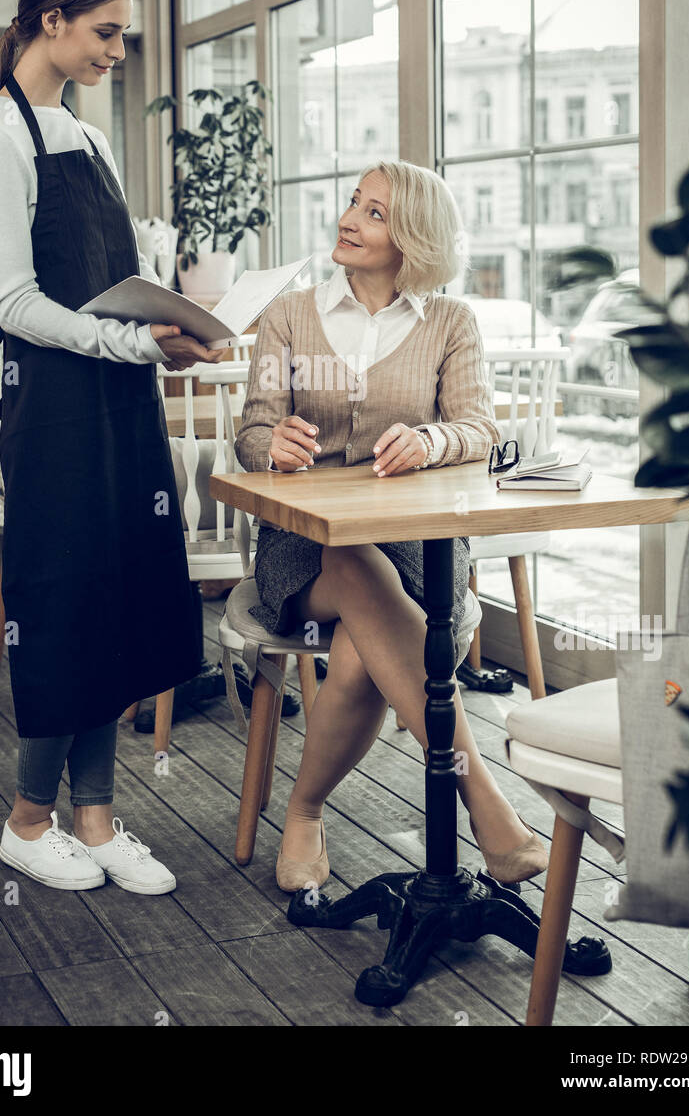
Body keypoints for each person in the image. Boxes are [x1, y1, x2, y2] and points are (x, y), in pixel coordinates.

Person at [0, 0, 227, 894]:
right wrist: (137, 346)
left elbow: (102, 283)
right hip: (57, 406)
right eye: (106, 33)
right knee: (65, 602)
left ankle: (97, 818)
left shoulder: (89, 136)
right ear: (52, 21)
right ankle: (27, 822)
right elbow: (15, 305)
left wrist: (162, 323)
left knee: (119, 593)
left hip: (120, 397)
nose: (117, 51)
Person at [234, 161, 550, 892]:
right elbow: (251, 434)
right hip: (304, 551)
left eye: (373, 212)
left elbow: (477, 428)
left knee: (356, 649)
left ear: (411, 235)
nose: (349, 218)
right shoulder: (289, 315)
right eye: (353, 203)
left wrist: (432, 442)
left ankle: (305, 811)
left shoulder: (450, 321)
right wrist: (270, 444)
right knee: (348, 565)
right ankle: (485, 801)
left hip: (418, 549)